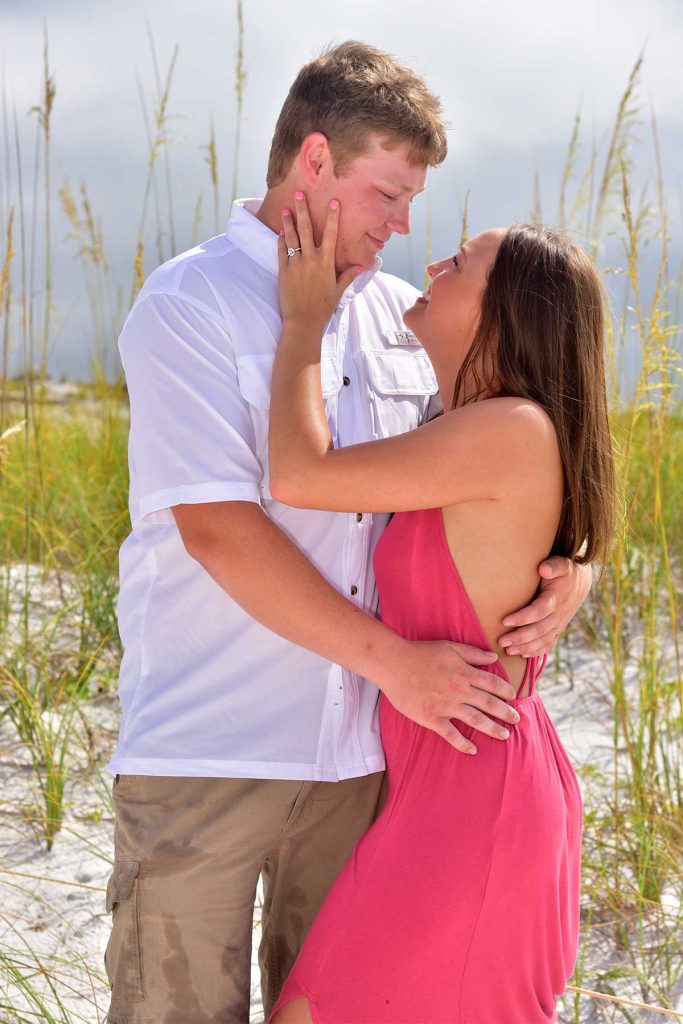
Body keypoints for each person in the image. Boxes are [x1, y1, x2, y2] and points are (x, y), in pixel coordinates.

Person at [104, 41, 592, 1024]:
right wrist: (397, 664)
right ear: (315, 163)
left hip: (361, 770)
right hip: (214, 751)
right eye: (385, 194)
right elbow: (219, 533)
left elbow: (500, 457)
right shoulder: (189, 302)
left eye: (413, 204)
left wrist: (570, 558)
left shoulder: (395, 318)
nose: (404, 227)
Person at [266, 202, 616, 1023]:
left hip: (476, 804)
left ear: (504, 316)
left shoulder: (508, 429)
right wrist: (581, 570)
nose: (429, 269)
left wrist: (303, 322)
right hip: (445, 789)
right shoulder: (459, 424)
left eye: (458, 263)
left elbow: (298, 473)